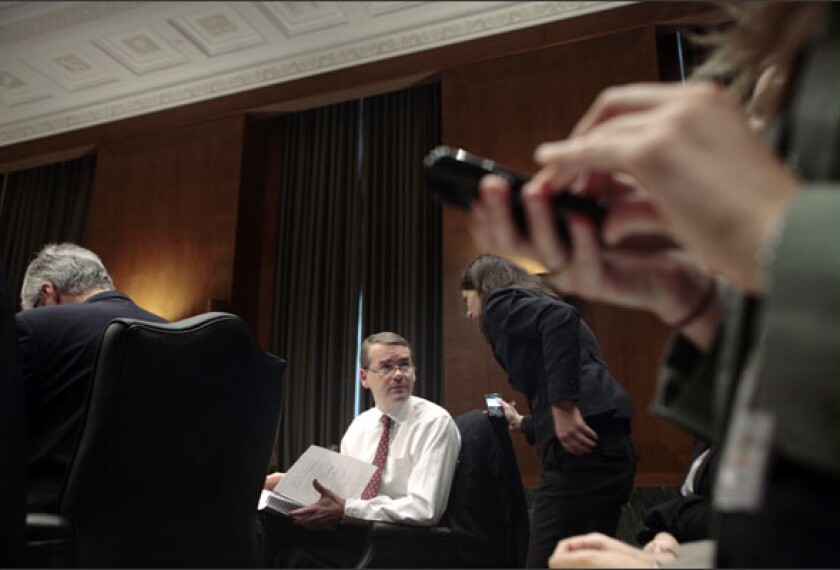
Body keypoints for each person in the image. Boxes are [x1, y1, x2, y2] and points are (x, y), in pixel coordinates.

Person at [466, 3, 839, 567]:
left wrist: (775, 233)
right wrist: (705, 309)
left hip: (585, 450)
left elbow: (561, 321)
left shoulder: (505, 303)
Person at [460, 253, 637, 568]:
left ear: (482, 288)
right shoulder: (534, 304)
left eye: (467, 300)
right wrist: (523, 423)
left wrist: (562, 406)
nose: (469, 312)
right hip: (607, 451)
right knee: (585, 562)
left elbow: (560, 317)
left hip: (580, 460)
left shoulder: (499, 302)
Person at [259, 331, 461, 566]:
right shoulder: (361, 425)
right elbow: (344, 491)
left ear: (414, 372)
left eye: (404, 365)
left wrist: (346, 509)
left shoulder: (435, 423)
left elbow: (424, 509)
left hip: (395, 540)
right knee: (268, 519)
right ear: (364, 377)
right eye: (386, 367)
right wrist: (291, 483)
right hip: (350, 528)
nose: (398, 375)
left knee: (286, 549)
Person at [17, 243, 166, 513]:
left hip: (46, 519)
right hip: (151, 520)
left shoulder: (34, 326)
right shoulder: (177, 334)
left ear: (48, 294)